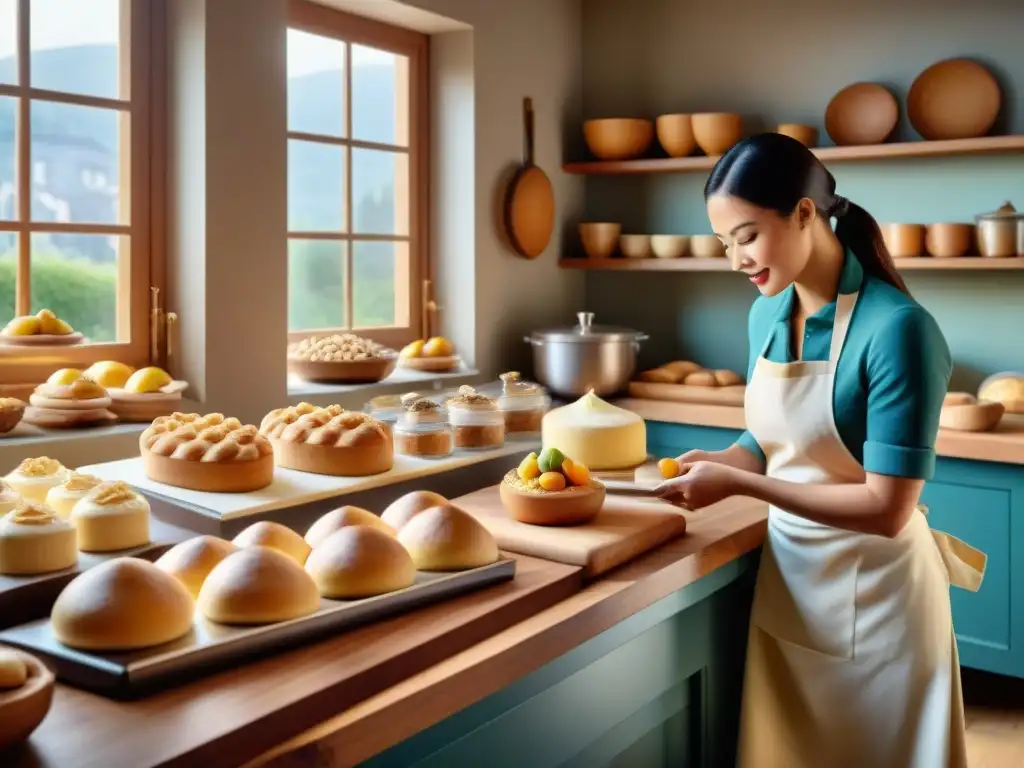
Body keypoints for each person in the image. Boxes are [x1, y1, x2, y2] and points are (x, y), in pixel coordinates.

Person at [655, 132, 986, 768]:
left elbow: (886, 509)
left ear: (806, 213)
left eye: (746, 236)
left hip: (886, 607)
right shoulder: (765, 315)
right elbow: (776, 435)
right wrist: (727, 460)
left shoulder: (900, 331)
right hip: (795, 592)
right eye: (726, 243)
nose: (735, 261)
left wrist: (744, 488)